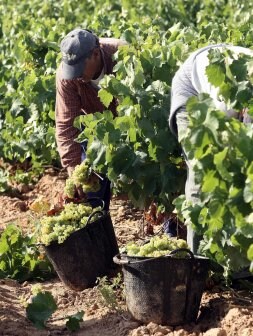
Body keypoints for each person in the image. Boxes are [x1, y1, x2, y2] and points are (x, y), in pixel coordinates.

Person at [169, 43, 253, 253]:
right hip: (192, 94)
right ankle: (196, 258)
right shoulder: (232, 93)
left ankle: (231, 256)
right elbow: (223, 130)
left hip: (226, 97)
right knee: (201, 171)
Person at [55, 28, 126, 210]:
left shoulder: (123, 56)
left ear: (95, 54)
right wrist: (73, 171)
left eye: (79, 69)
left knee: (156, 189)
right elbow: (66, 124)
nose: (76, 75)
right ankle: (96, 224)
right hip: (98, 133)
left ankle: (172, 232)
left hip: (133, 129)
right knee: (89, 194)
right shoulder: (67, 77)